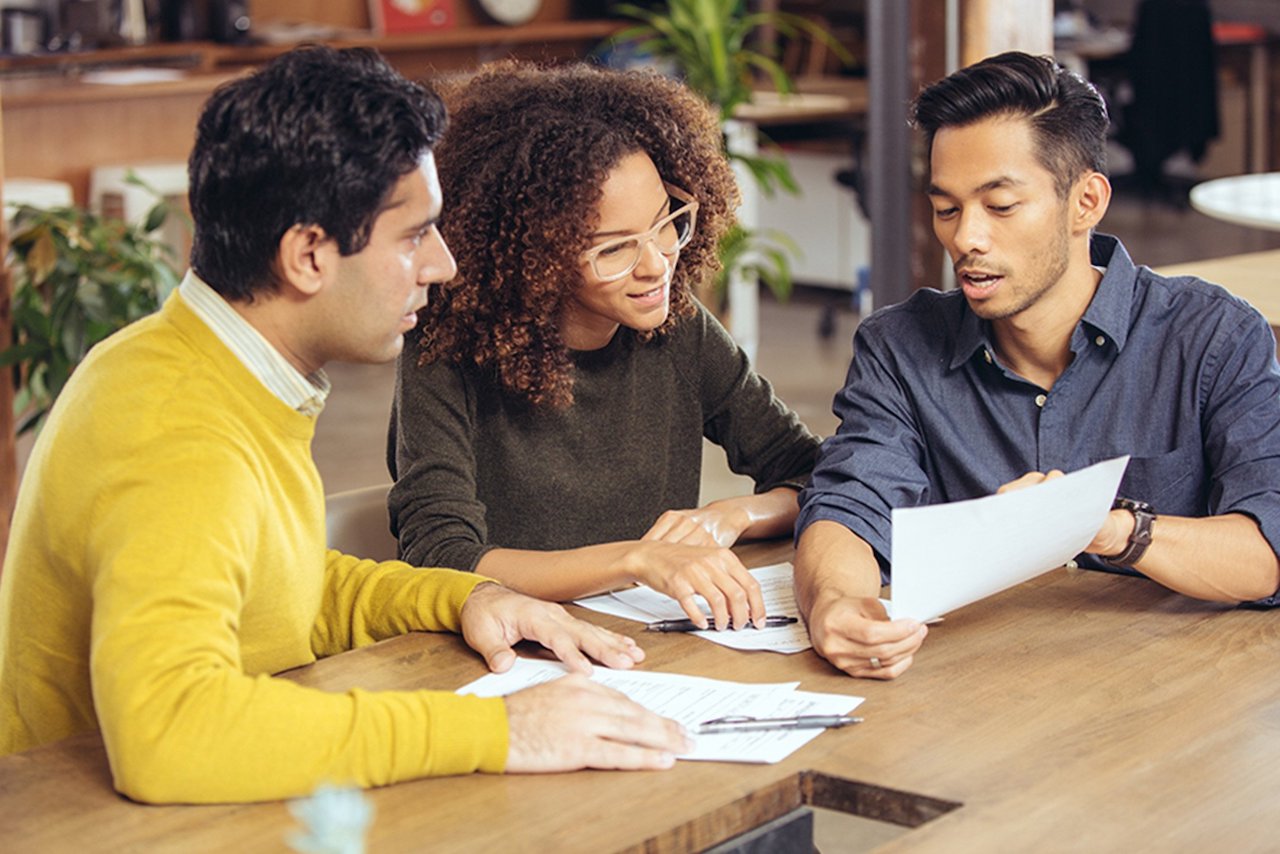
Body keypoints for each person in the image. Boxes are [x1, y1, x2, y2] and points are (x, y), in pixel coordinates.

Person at [0, 46, 692, 804]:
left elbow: (274, 583)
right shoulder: (177, 430)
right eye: (412, 235)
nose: (445, 264)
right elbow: (170, 733)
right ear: (307, 255)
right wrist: (501, 733)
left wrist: (463, 597)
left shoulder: (205, 367)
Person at [794, 51, 1280, 680]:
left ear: (1086, 201)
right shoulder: (899, 347)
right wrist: (835, 605)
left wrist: (1101, 527)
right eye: (947, 209)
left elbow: (1266, 548)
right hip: (980, 697)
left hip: (1171, 698)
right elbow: (848, 507)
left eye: (1000, 206)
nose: (967, 238)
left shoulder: (1213, 337)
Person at [388, 61, 820, 631]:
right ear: (534, 260)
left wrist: (732, 515)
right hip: (511, 650)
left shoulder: (678, 329)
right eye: (613, 250)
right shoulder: (449, 347)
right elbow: (440, 557)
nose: (657, 264)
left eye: (666, 222)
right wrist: (636, 560)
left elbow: (815, 472)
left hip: (644, 639)